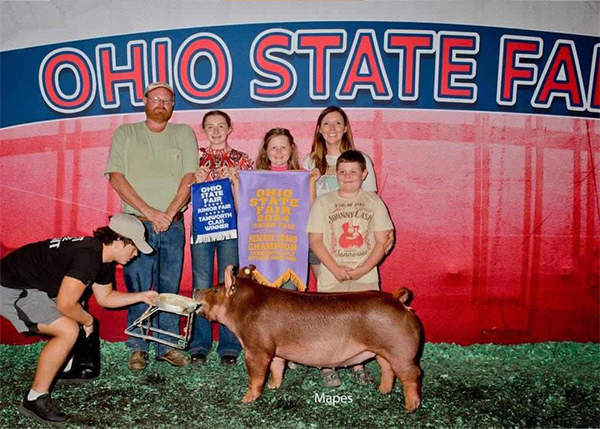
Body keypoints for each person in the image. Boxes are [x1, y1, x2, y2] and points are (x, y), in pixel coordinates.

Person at [0, 214, 159, 425]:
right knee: (68, 329)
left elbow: (106, 298)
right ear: (119, 241)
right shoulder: (88, 258)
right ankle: (35, 398)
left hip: (33, 284)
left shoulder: (102, 257)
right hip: (11, 287)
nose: (136, 253)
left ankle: (65, 367)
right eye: (134, 246)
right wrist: (88, 322)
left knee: (77, 309)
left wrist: (141, 296)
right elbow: (65, 305)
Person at [104, 82, 198, 371]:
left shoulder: (183, 133)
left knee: (169, 287)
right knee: (138, 285)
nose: (161, 104)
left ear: (173, 105)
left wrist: (168, 214)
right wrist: (151, 213)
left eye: (167, 100)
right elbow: (116, 177)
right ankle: (137, 347)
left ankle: (166, 345)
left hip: (173, 224)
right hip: (135, 226)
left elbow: (190, 176)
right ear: (144, 101)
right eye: (155, 99)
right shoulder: (126, 133)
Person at [306, 150, 394, 388]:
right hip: (332, 274)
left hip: (365, 275)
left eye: (353, 172)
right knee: (329, 324)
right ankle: (328, 366)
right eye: (342, 172)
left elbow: (381, 241)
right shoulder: (323, 202)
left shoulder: (375, 202)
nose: (347, 177)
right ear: (335, 174)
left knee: (363, 325)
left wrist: (364, 268)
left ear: (364, 174)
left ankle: (358, 365)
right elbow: (315, 240)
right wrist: (334, 268)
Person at [189, 110, 253, 367]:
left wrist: (237, 182)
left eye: (221, 126)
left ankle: (229, 346)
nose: (216, 131)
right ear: (203, 130)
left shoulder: (243, 159)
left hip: (232, 225)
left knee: (230, 284)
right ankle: (199, 345)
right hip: (202, 225)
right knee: (201, 281)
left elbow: (251, 198)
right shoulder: (195, 159)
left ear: (230, 128)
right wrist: (195, 180)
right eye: (210, 126)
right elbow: (182, 191)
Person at [302, 106, 392, 279]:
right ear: (319, 129)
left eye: (337, 123)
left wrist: (386, 230)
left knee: (356, 297)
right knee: (327, 296)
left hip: (356, 240)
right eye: (326, 124)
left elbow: (372, 202)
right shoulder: (309, 161)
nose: (332, 128)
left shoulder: (362, 159)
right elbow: (303, 203)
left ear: (345, 129)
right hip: (320, 237)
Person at [254, 127, 320, 290]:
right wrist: (237, 184)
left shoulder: (302, 176)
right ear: (266, 151)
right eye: (273, 147)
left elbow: (313, 210)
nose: (278, 152)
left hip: (291, 248)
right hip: (263, 251)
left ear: (291, 149)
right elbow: (244, 212)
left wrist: (311, 183)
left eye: (283, 147)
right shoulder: (254, 178)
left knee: (289, 296)